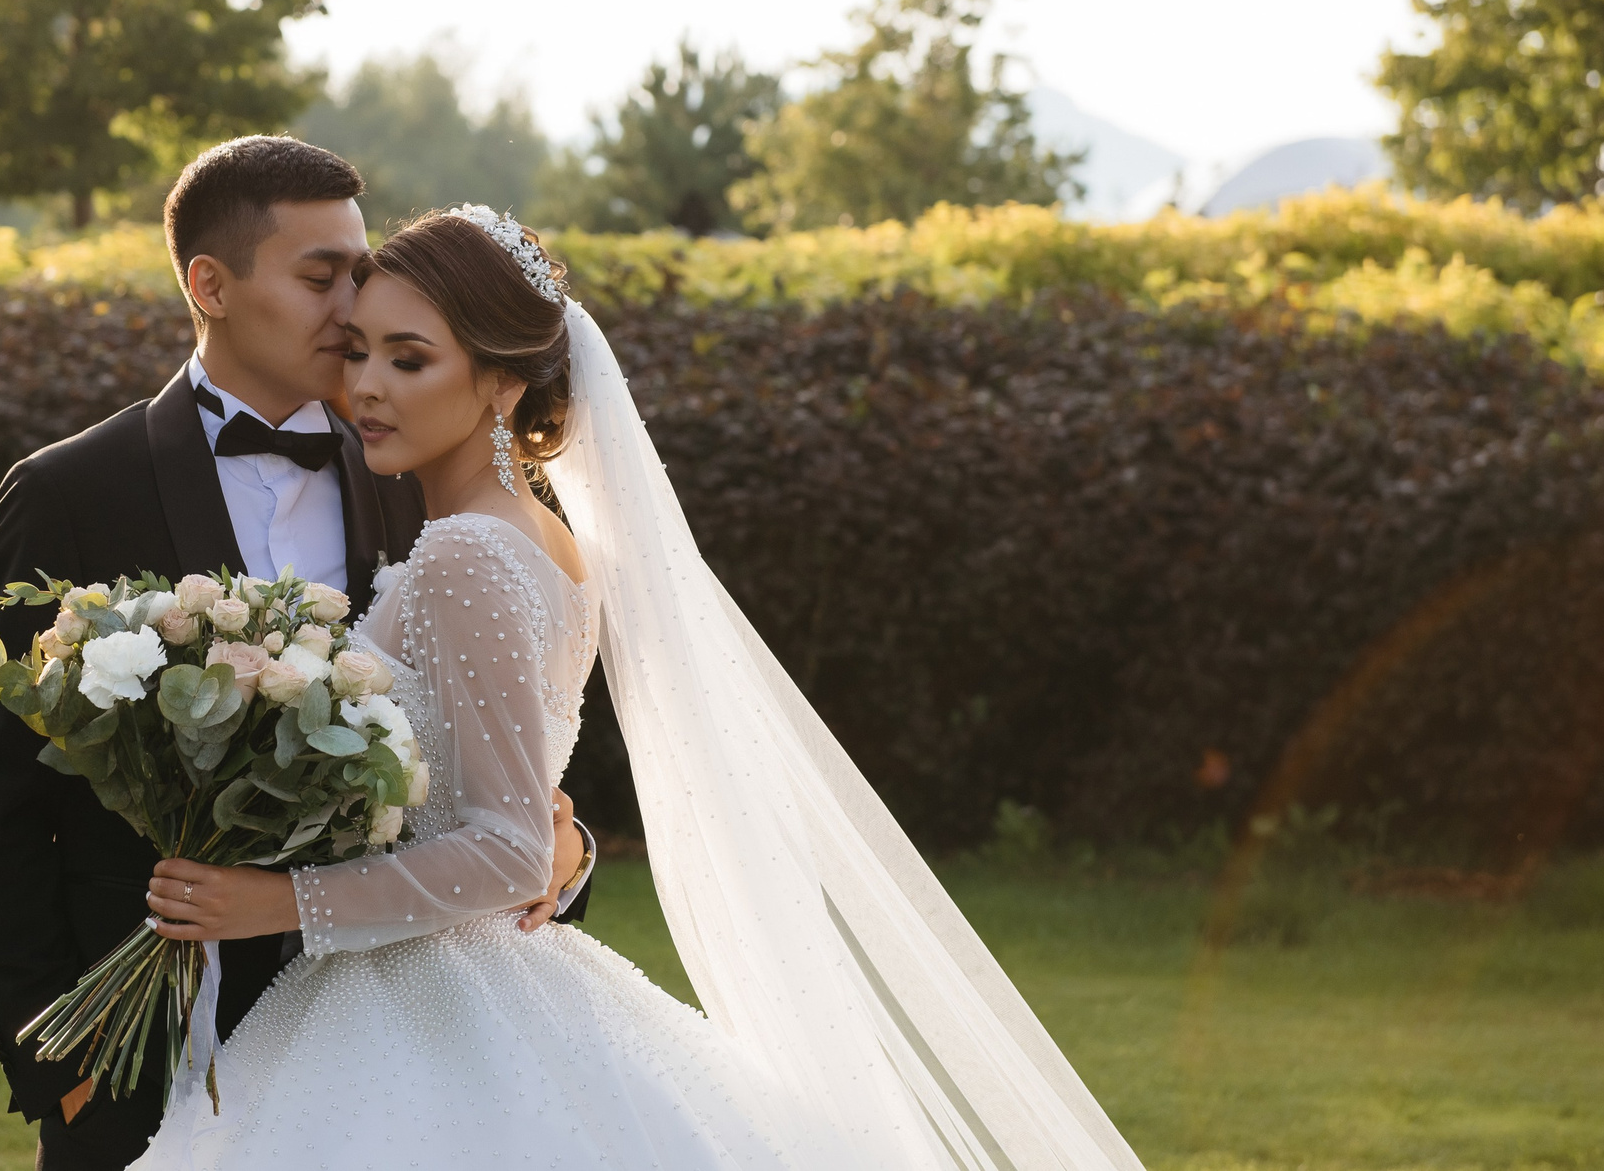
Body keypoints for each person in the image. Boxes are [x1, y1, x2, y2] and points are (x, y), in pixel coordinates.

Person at [132, 207, 1148, 1171]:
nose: (367, 386)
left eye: (410, 357)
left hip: (428, 986)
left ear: (498, 384)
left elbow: (508, 846)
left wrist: (274, 898)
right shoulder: (546, 542)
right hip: (474, 972)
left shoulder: (464, 557)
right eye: (358, 350)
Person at [0, 139, 596, 1171]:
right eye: (318, 275)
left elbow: (491, 754)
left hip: (388, 1043)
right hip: (142, 1053)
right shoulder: (71, 491)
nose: (352, 305)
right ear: (211, 283)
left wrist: (565, 860)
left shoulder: (412, 467)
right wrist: (52, 1056)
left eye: (359, 267)